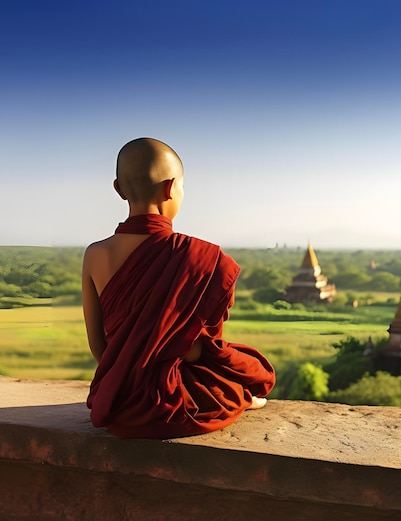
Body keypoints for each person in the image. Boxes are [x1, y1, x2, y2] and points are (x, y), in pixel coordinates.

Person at [82, 137, 275, 439]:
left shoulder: (96, 254)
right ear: (171, 188)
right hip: (171, 402)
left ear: (118, 189)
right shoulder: (202, 258)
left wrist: (125, 376)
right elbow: (196, 349)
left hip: (117, 401)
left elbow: (99, 347)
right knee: (245, 370)